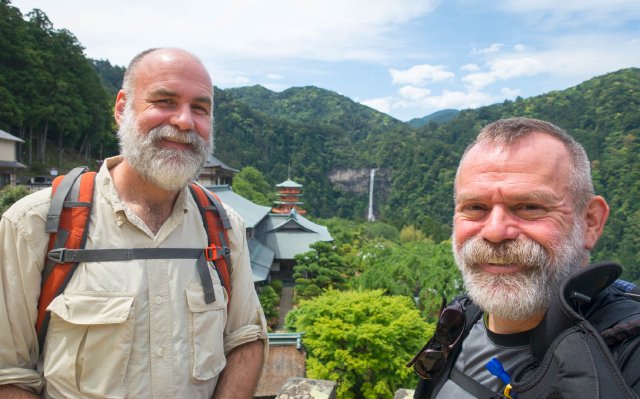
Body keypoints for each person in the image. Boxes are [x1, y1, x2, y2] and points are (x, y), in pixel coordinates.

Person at [0, 48, 268, 398]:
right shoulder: (35, 225)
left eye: (200, 108)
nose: (185, 121)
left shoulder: (223, 227)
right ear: (122, 107)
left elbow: (245, 339)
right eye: (165, 101)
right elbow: (9, 374)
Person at [411, 117, 640, 398]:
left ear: (591, 222)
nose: (495, 232)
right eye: (475, 207)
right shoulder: (459, 320)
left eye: (529, 206)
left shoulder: (628, 351)